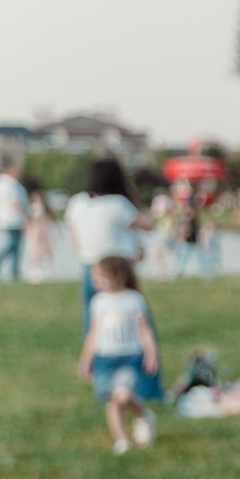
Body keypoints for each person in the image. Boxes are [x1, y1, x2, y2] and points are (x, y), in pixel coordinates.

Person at [79, 256, 162, 454]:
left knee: (123, 395)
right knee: (112, 400)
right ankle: (122, 440)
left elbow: (145, 330)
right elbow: (93, 333)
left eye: (100, 276)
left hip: (129, 357)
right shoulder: (98, 302)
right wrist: (86, 359)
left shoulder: (134, 300)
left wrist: (151, 353)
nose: (95, 281)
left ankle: (143, 416)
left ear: (118, 276)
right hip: (105, 359)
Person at [62, 158, 141, 333]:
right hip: (118, 265)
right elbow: (147, 224)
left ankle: (93, 347)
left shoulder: (78, 202)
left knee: (92, 313)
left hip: (89, 264)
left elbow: (74, 235)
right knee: (127, 310)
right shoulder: (119, 203)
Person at [0, 155, 29, 281]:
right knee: (14, 245)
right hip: (13, 219)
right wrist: (26, 217)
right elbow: (16, 202)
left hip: (6, 218)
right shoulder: (9, 184)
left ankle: (15, 271)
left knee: (16, 246)